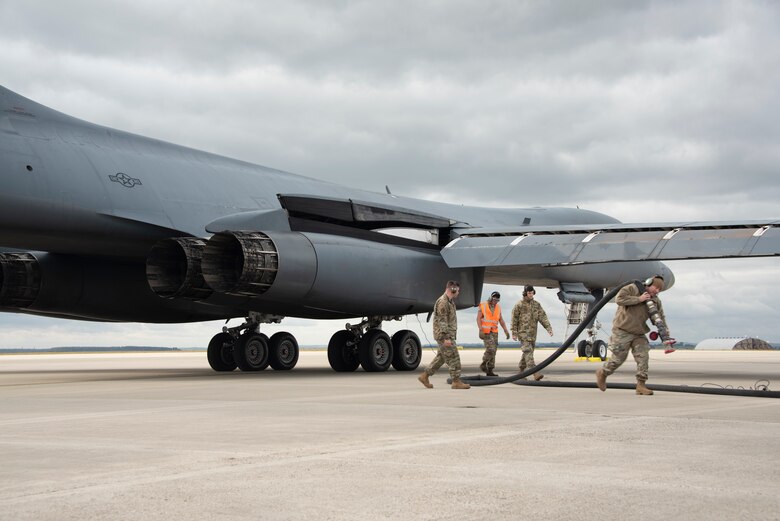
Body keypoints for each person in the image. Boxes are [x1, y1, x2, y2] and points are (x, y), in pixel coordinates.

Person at [596, 276, 669, 396]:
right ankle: (603, 373)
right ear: (649, 284)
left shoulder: (655, 300)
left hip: (639, 332)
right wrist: (639, 299)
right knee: (618, 359)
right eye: (656, 288)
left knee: (643, 357)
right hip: (622, 330)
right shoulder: (632, 288)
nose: (657, 291)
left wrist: (665, 330)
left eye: (659, 290)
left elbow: (660, 316)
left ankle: (641, 385)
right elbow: (619, 299)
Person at [418, 280, 470, 389]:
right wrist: (446, 337)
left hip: (446, 335)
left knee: (441, 358)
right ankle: (456, 381)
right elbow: (442, 321)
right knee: (454, 357)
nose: (458, 293)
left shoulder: (450, 302)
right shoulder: (443, 302)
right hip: (444, 336)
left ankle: (424, 376)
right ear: (453, 289)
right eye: (458, 291)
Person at [511, 285, 553, 381]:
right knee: (528, 352)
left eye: (532, 292)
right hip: (523, 333)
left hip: (533, 334)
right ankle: (535, 373)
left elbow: (543, 317)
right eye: (529, 292)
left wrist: (548, 328)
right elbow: (514, 319)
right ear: (525, 293)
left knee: (527, 353)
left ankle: (521, 372)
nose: (531, 294)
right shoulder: (519, 305)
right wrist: (514, 332)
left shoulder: (536, 305)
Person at [476, 291, 510, 376]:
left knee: (494, 352)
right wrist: (480, 329)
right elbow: (478, 318)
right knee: (491, 349)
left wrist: (506, 330)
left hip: (494, 332)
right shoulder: (483, 305)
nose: (495, 302)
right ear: (491, 298)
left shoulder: (498, 307)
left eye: (497, 300)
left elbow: (501, 320)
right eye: (494, 299)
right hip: (486, 332)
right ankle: (484, 364)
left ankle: (490, 370)